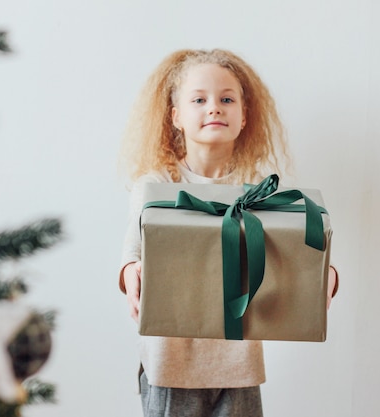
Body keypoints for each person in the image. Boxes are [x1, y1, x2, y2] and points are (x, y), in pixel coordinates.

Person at [118, 48, 338, 417]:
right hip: (170, 366)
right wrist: (129, 271)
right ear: (176, 117)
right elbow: (133, 249)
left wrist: (324, 274)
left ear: (243, 116)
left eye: (226, 99)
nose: (214, 107)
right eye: (199, 99)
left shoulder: (258, 187)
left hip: (238, 366)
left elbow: (288, 248)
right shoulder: (157, 185)